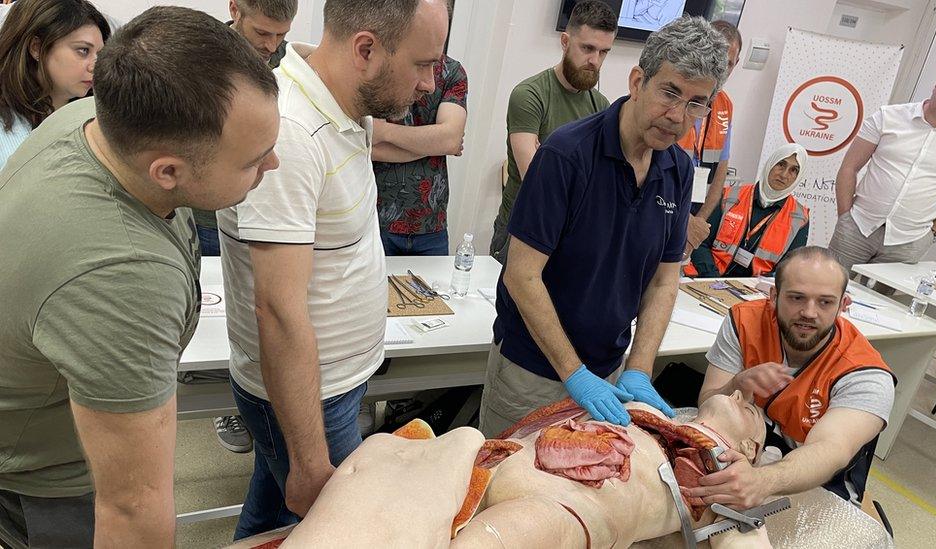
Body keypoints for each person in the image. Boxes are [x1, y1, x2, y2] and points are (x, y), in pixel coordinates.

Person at [0, 6, 280, 547]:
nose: (273, 167)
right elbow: (131, 506)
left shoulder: (87, 119)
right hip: (49, 484)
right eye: (253, 160)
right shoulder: (122, 277)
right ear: (168, 171)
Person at [217, 0, 450, 539]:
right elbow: (277, 310)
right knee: (336, 528)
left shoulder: (342, 106)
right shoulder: (293, 133)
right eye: (421, 64)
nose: (429, 84)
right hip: (309, 396)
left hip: (332, 383)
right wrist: (307, 458)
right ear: (365, 50)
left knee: (272, 514)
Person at [479, 16, 729, 439]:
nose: (677, 115)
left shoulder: (678, 168)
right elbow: (522, 275)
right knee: (505, 490)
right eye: (669, 92)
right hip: (533, 371)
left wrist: (639, 369)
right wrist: (573, 373)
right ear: (637, 81)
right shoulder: (566, 154)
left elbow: (664, 281)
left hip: (609, 373)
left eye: (695, 103)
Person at [265, 393, 771, 548]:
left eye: (753, 412)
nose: (744, 395)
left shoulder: (733, 480)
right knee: (382, 451)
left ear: (750, 447)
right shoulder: (642, 407)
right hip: (495, 458)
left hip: (572, 508)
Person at [693, 246, 895, 509]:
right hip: (749, 454)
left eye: (825, 302)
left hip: (815, 477)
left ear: (843, 304)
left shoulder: (866, 374)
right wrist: (737, 384)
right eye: (797, 298)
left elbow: (829, 451)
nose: (809, 312)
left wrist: (762, 481)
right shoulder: (744, 321)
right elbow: (708, 402)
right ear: (774, 295)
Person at [192, 0, 297, 458]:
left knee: (255, 299)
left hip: (254, 197)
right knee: (214, 302)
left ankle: (249, 392)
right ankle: (227, 400)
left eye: (280, 36)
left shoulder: (286, 57)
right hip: (203, 203)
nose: (271, 47)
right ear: (235, 8)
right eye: (262, 33)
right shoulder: (198, 53)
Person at [488, 0, 617, 264]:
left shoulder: (601, 107)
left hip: (570, 239)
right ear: (565, 41)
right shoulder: (530, 95)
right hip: (522, 233)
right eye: (588, 48)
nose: (595, 61)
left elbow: (605, 182)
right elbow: (537, 181)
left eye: (604, 52)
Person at [829, 62, 936, 273]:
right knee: (828, 291)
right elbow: (849, 168)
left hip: (909, 241)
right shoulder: (888, 117)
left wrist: (932, 235)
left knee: (883, 304)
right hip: (858, 226)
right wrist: (845, 217)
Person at [372, 53, 468, 255]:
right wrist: (434, 144)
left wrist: (385, 132)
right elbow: (370, 148)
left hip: (431, 222)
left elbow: (450, 140)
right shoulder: (380, 64)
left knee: (433, 286)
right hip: (376, 218)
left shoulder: (451, 71)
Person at [0, 0, 110, 169]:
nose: (95, 66)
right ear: (36, 48)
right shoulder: (7, 130)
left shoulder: (100, 119)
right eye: (83, 50)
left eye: (100, 54)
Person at [689, 144, 810, 278]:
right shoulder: (729, 196)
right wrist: (712, 279)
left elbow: (789, 270)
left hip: (755, 290)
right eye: (781, 164)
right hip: (708, 277)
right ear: (771, 163)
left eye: (794, 170)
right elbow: (700, 242)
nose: (784, 174)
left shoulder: (799, 218)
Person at [677, 19, 741, 253]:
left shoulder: (725, 106)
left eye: (730, 64)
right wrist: (683, 222)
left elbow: (721, 172)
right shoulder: (678, 96)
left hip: (695, 215)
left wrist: (699, 221)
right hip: (665, 210)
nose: (722, 71)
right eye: (718, 61)